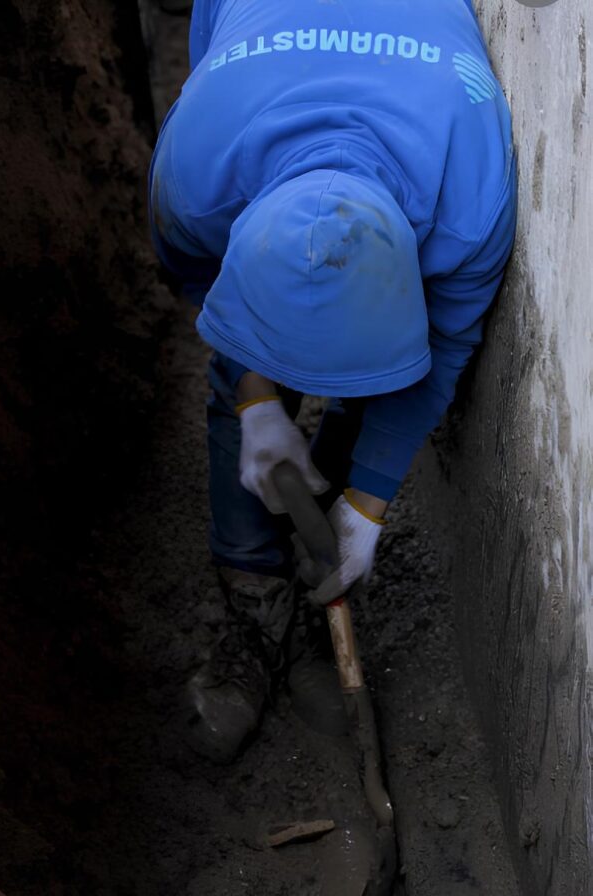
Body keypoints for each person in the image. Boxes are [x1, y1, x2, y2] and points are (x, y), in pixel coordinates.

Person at [148, 0, 517, 761]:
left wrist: (369, 499)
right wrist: (256, 399)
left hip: (410, 88)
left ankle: (322, 565)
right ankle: (257, 616)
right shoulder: (193, 175)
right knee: (243, 374)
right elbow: (209, 285)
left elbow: (446, 341)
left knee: (379, 380)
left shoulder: (470, 198)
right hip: (249, 34)